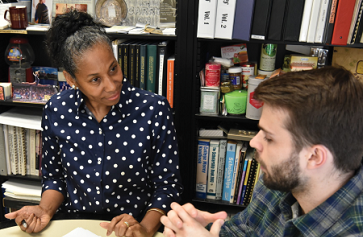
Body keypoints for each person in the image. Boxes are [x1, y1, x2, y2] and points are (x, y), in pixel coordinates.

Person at [5, 10, 183, 237]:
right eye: (95, 80)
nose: (111, 85)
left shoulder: (153, 109)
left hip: (134, 227)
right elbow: (55, 178)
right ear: (71, 79)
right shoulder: (57, 110)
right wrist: (44, 209)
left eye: (113, 69)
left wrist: (145, 229)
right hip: (75, 226)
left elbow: (168, 186)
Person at [161, 66, 363, 237]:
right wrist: (200, 227)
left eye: (269, 138)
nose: (253, 142)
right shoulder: (280, 180)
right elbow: (244, 230)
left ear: (314, 157)